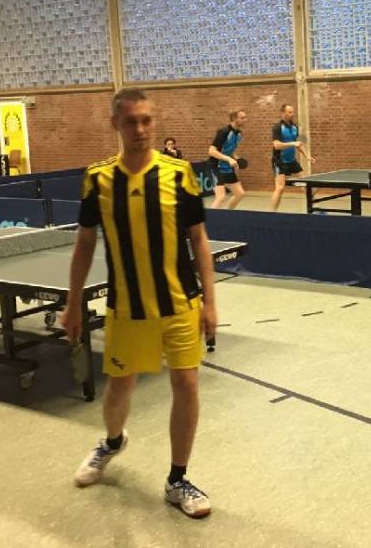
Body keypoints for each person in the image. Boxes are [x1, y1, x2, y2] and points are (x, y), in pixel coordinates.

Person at [61, 88, 218, 519]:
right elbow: (84, 244)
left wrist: (210, 303)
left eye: (147, 120)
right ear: (115, 124)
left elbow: (199, 241)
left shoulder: (180, 174)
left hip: (180, 303)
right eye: (130, 121)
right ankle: (112, 442)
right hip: (126, 308)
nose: (140, 129)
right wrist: (73, 304)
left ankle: (177, 479)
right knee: (119, 390)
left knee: (186, 385)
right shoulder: (97, 179)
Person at [270, 104, 314, 211]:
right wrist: (292, 143)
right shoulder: (277, 127)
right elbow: (276, 145)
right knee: (280, 188)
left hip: (292, 160)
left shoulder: (294, 127)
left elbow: (298, 144)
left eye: (293, 112)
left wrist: (307, 156)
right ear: (283, 113)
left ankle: (313, 209)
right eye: (290, 112)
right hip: (279, 161)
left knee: (306, 184)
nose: (292, 114)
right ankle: (271, 213)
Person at [208, 110, 246, 210]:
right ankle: (211, 218)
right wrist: (229, 159)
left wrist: (236, 158)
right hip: (216, 167)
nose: (245, 120)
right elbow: (211, 151)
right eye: (242, 118)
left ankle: (229, 214)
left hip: (227, 168)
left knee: (240, 194)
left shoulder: (239, 134)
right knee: (221, 197)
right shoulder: (223, 132)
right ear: (234, 119)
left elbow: (228, 150)